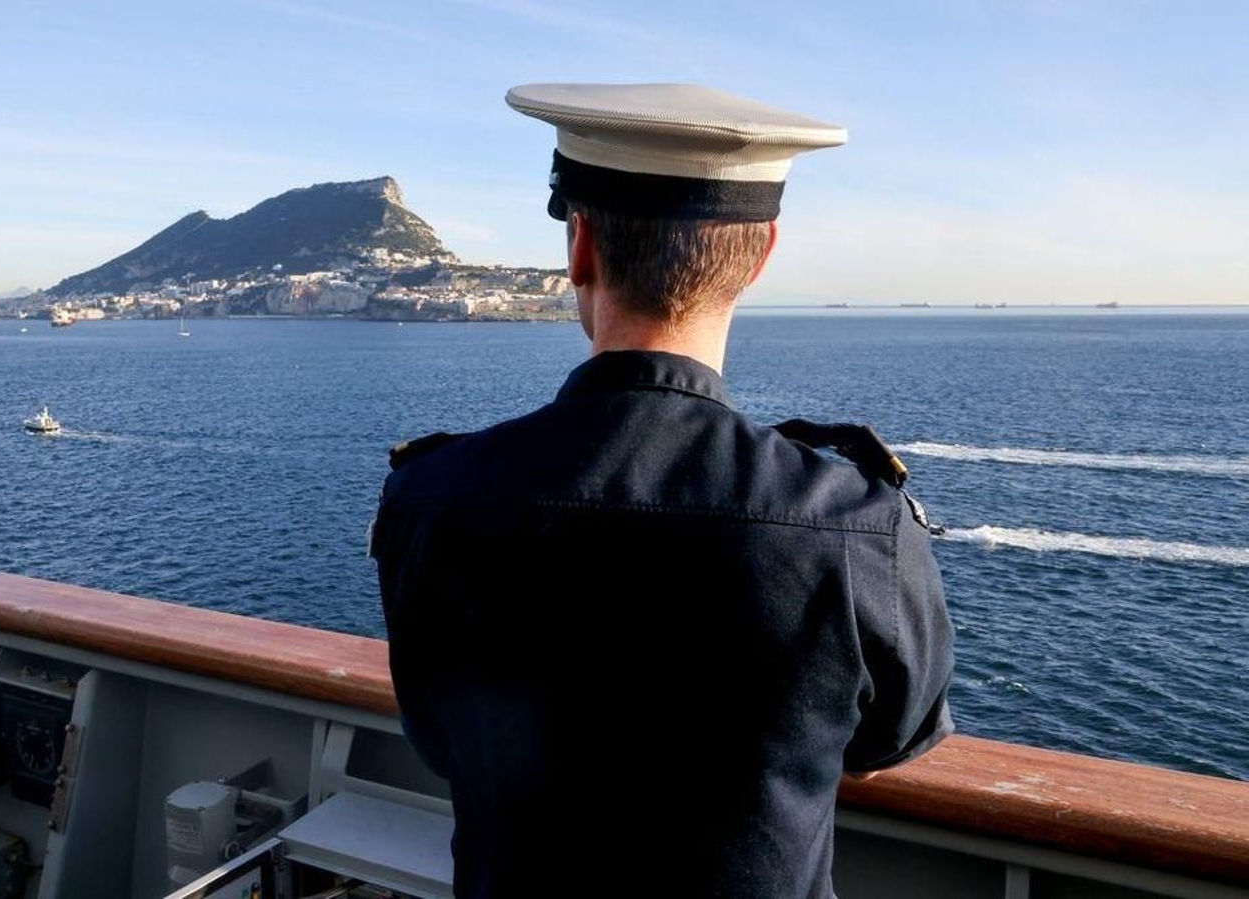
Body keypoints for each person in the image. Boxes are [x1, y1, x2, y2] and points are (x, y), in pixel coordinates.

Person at [370, 83, 954, 899]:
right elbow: (890, 738)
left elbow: (436, 734)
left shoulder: (432, 499)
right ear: (760, 258)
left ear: (580, 250)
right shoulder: (859, 526)